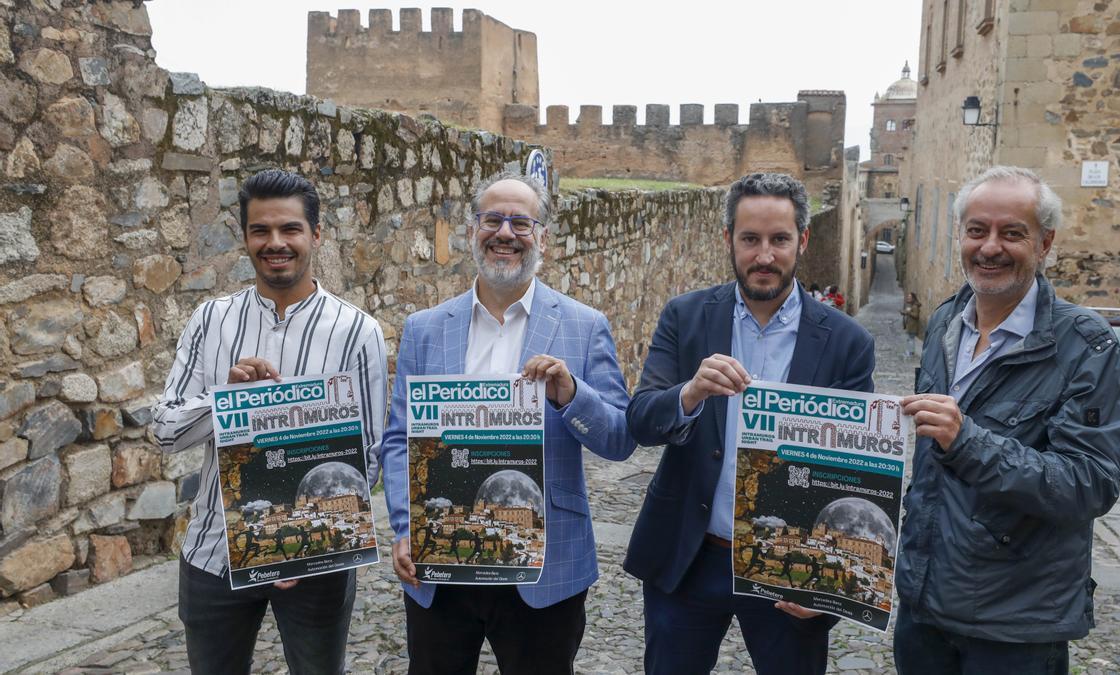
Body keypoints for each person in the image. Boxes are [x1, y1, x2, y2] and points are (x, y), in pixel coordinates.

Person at [381, 171, 637, 675]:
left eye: (521, 222)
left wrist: (571, 395)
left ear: (541, 237)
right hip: (443, 558)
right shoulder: (425, 329)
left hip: (546, 570)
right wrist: (405, 527)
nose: (505, 233)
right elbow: (398, 439)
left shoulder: (584, 326)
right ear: (472, 230)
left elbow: (621, 439)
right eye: (492, 219)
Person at [624, 172, 876, 675]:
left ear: (802, 240)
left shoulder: (848, 341)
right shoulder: (686, 316)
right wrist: (689, 394)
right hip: (691, 557)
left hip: (791, 567)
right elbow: (641, 420)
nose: (765, 256)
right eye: (750, 239)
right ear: (728, 241)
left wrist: (830, 582)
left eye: (779, 239)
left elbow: (855, 469)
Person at [152, 169, 388, 675]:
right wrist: (227, 402)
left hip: (318, 557)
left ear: (316, 235)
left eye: (290, 229)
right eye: (260, 230)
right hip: (216, 549)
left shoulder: (357, 332)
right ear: (244, 237)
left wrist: (299, 541)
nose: (275, 243)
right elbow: (164, 429)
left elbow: (367, 458)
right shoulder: (210, 321)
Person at [894, 166, 1120, 674]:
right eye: (977, 230)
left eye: (1012, 233)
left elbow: (1091, 484)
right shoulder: (944, 323)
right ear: (961, 235)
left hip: (1014, 626)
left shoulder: (1085, 344)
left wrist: (969, 442)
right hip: (924, 608)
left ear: (1045, 243)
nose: (990, 247)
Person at [901, 291, 922, 358]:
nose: (908, 298)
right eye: (908, 297)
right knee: (910, 339)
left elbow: (916, 315)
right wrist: (904, 312)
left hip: (913, 326)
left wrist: (908, 312)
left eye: (910, 297)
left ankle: (911, 352)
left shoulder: (915, 306)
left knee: (911, 340)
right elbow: (909, 313)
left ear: (913, 298)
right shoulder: (912, 305)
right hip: (910, 326)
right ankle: (910, 351)